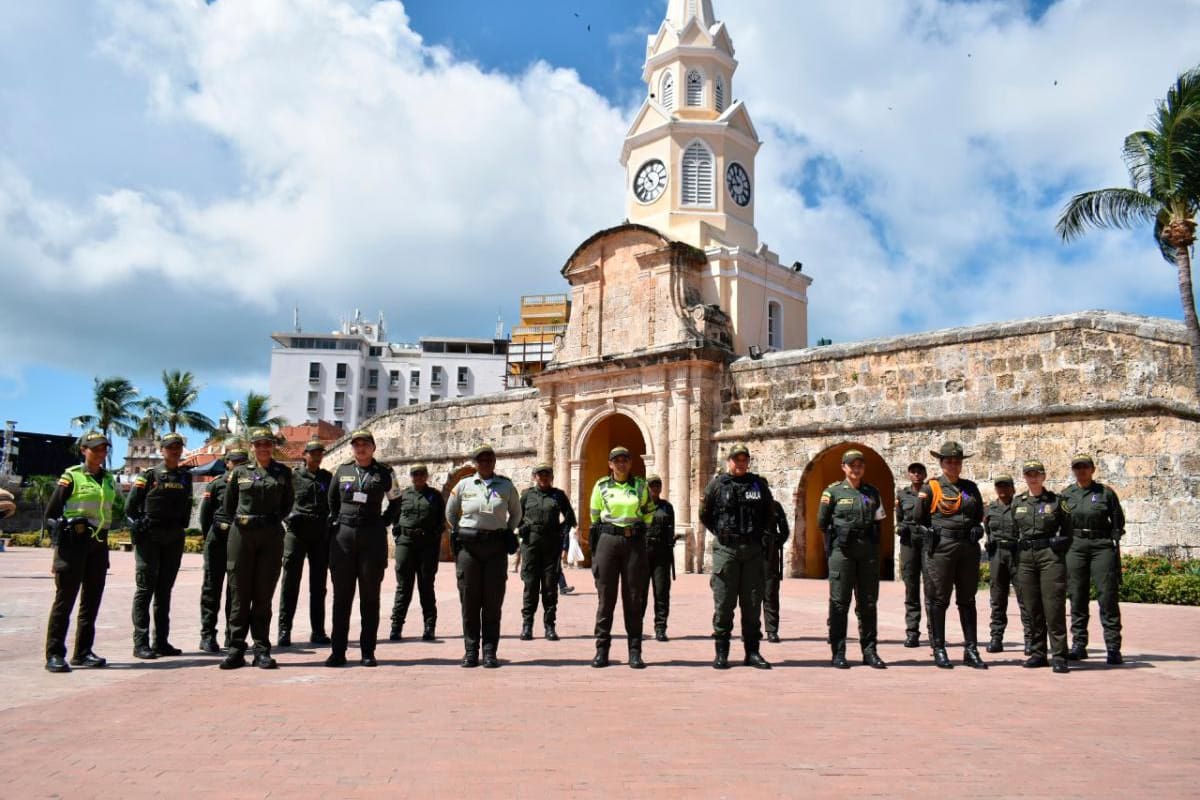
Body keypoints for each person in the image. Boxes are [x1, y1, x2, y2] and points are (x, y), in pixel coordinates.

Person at [41, 431, 116, 673]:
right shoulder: (71, 477)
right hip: (73, 544)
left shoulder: (108, 479)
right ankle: (54, 653)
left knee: (91, 602)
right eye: (95, 449)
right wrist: (63, 535)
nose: (101, 453)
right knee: (65, 601)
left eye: (104, 449)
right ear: (84, 450)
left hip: (99, 544)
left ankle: (83, 651)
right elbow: (50, 515)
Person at [220, 427, 294, 670]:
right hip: (242, 534)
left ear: (272, 446)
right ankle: (235, 649)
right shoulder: (239, 472)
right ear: (252, 447)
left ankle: (261, 650)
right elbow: (229, 505)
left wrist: (269, 520)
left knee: (263, 595)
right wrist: (245, 520)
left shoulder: (283, 472)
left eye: (267, 444)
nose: (263, 448)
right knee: (239, 594)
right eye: (258, 444)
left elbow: (287, 503)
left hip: (270, 536)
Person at [699, 443, 775, 671]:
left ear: (748, 461)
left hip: (752, 551)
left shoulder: (758, 485)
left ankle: (752, 652)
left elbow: (768, 514)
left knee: (752, 604)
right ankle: (721, 653)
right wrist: (724, 535)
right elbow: (705, 515)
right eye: (736, 459)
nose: (740, 463)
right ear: (728, 461)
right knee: (724, 603)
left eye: (744, 459)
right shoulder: (717, 485)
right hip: (726, 550)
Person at [446, 444, 522, 669]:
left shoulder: (506, 486)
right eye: (481, 459)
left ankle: (490, 652)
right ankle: (471, 651)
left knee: (492, 601)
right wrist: (459, 530)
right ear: (475, 463)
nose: (486, 462)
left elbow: (516, 513)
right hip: (469, 548)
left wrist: (506, 530)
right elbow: (450, 512)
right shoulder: (463, 485)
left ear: (495, 462)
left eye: (489, 459)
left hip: (495, 548)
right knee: (469, 601)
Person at [325, 429, 395, 668]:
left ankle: (368, 651)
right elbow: (332, 500)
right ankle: (338, 651)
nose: (360, 448)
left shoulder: (384, 472)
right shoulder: (342, 471)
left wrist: (383, 522)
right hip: (344, 536)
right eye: (356, 445)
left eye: (365, 444)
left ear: (373, 447)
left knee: (370, 597)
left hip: (371, 537)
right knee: (341, 598)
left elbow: (395, 501)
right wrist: (337, 521)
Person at [919, 441, 987, 669]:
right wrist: (927, 534)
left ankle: (971, 649)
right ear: (941, 463)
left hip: (967, 546)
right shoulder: (931, 488)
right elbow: (917, 520)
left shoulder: (970, 487)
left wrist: (979, 528)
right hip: (942, 547)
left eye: (957, 461)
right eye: (949, 461)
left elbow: (978, 515)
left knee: (967, 599)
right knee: (939, 599)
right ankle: (939, 648)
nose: (953, 465)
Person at [817, 450, 887, 669]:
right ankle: (838, 653)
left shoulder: (872, 492)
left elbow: (879, 520)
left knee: (867, 603)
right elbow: (822, 522)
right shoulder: (833, 492)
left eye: (859, 465)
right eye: (851, 465)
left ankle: (870, 652)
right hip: (842, 553)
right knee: (839, 603)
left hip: (867, 553)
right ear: (844, 467)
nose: (856, 469)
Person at [125, 432, 193, 659]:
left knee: (164, 592)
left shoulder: (185, 477)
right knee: (145, 590)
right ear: (162, 450)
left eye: (178, 446)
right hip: (150, 537)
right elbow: (130, 508)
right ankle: (141, 643)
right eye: (170, 447)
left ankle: (161, 642)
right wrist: (138, 527)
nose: (175, 450)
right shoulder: (149, 475)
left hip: (173, 537)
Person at [588, 447, 654, 669]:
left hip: (633, 542)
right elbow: (594, 515)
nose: (621, 464)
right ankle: (601, 651)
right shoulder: (601, 486)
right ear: (610, 464)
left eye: (625, 459)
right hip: (608, 539)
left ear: (630, 462)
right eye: (617, 460)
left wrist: (637, 530)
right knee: (606, 598)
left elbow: (648, 513)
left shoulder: (640, 485)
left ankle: (635, 651)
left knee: (633, 598)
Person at [1062, 454, 1126, 665]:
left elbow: (1118, 521)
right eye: (1077, 467)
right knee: (1077, 595)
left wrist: (1114, 539)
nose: (1081, 470)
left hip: (1101, 545)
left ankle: (1113, 647)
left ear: (1092, 469)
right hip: (1076, 545)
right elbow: (1061, 522)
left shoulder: (1105, 493)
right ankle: (1079, 645)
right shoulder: (1066, 495)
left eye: (1085, 467)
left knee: (1107, 595)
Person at [1013, 460, 1071, 673]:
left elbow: (1068, 530)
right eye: (1029, 474)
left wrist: (1061, 544)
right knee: (1032, 606)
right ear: (1025, 477)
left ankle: (1059, 655)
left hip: (1050, 556)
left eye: (1036, 474)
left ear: (1044, 476)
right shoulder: (1018, 502)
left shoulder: (1057, 502)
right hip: (1026, 557)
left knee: (1053, 606)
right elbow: (1012, 530)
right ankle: (1038, 653)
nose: (1033, 477)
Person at [278, 439, 332, 647]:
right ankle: (284, 630)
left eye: (319, 453)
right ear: (305, 455)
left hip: (319, 533)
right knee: (290, 583)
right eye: (313, 453)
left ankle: (318, 631)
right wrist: (288, 517)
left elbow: (333, 502)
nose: (316, 456)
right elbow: (281, 502)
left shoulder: (327, 477)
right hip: (296, 532)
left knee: (319, 586)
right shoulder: (293, 477)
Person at [197, 443, 247, 653]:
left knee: (236, 591)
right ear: (227, 463)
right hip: (217, 538)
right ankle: (208, 635)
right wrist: (210, 536)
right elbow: (205, 515)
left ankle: (232, 635)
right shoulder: (216, 485)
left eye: (242, 463)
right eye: (234, 462)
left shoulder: (249, 483)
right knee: (212, 588)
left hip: (239, 540)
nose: (237, 466)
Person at [518, 464, 577, 642]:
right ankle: (527, 625)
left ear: (551, 477)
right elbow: (516, 516)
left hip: (551, 546)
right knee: (530, 586)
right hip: (531, 546)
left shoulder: (558, 495)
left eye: (547, 475)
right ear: (535, 476)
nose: (543, 478)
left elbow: (570, 518)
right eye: (540, 474)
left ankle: (549, 626)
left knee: (550, 588)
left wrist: (561, 532)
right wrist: (521, 528)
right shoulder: (527, 495)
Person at [389, 463, 446, 643]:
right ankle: (396, 626)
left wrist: (434, 537)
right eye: (415, 474)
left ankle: (429, 627)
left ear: (426, 475)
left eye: (421, 474)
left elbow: (441, 520)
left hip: (427, 545)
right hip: (406, 543)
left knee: (426, 586)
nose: (418, 477)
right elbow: (395, 517)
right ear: (411, 476)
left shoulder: (435, 496)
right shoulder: (403, 495)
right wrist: (399, 537)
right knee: (403, 586)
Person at [983, 474, 1031, 655]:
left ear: (1013, 488)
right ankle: (996, 637)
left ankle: (1030, 639)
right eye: (999, 487)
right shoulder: (990, 509)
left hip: (1017, 554)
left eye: (1006, 486)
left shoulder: (1020, 506)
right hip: (997, 555)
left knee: (1025, 598)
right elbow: (988, 530)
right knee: (997, 598)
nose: (1002, 490)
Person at [895, 462, 929, 648]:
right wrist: (900, 527)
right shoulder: (902, 494)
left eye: (919, 472)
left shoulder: (931, 491)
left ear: (924, 474)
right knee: (911, 587)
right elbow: (899, 517)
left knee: (931, 589)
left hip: (927, 542)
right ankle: (912, 632)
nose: (916, 474)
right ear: (909, 474)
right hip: (909, 543)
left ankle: (934, 632)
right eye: (913, 472)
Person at [643, 475, 676, 642]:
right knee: (640, 593)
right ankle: (637, 627)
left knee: (661, 592)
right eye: (652, 485)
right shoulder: (640, 507)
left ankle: (661, 628)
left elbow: (671, 529)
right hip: (643, 553)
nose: (655, 488)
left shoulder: (667, 507)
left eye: (658, 485)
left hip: (662, 554)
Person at [763, 499, 789, 644]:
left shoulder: (774, 506)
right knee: (750, 595)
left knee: (770, 592)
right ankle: (750, 630)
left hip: (769, 553)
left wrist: (775, 542)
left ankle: (772, 630)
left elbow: (784, 530)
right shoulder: (748, 503)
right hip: (750, 553)